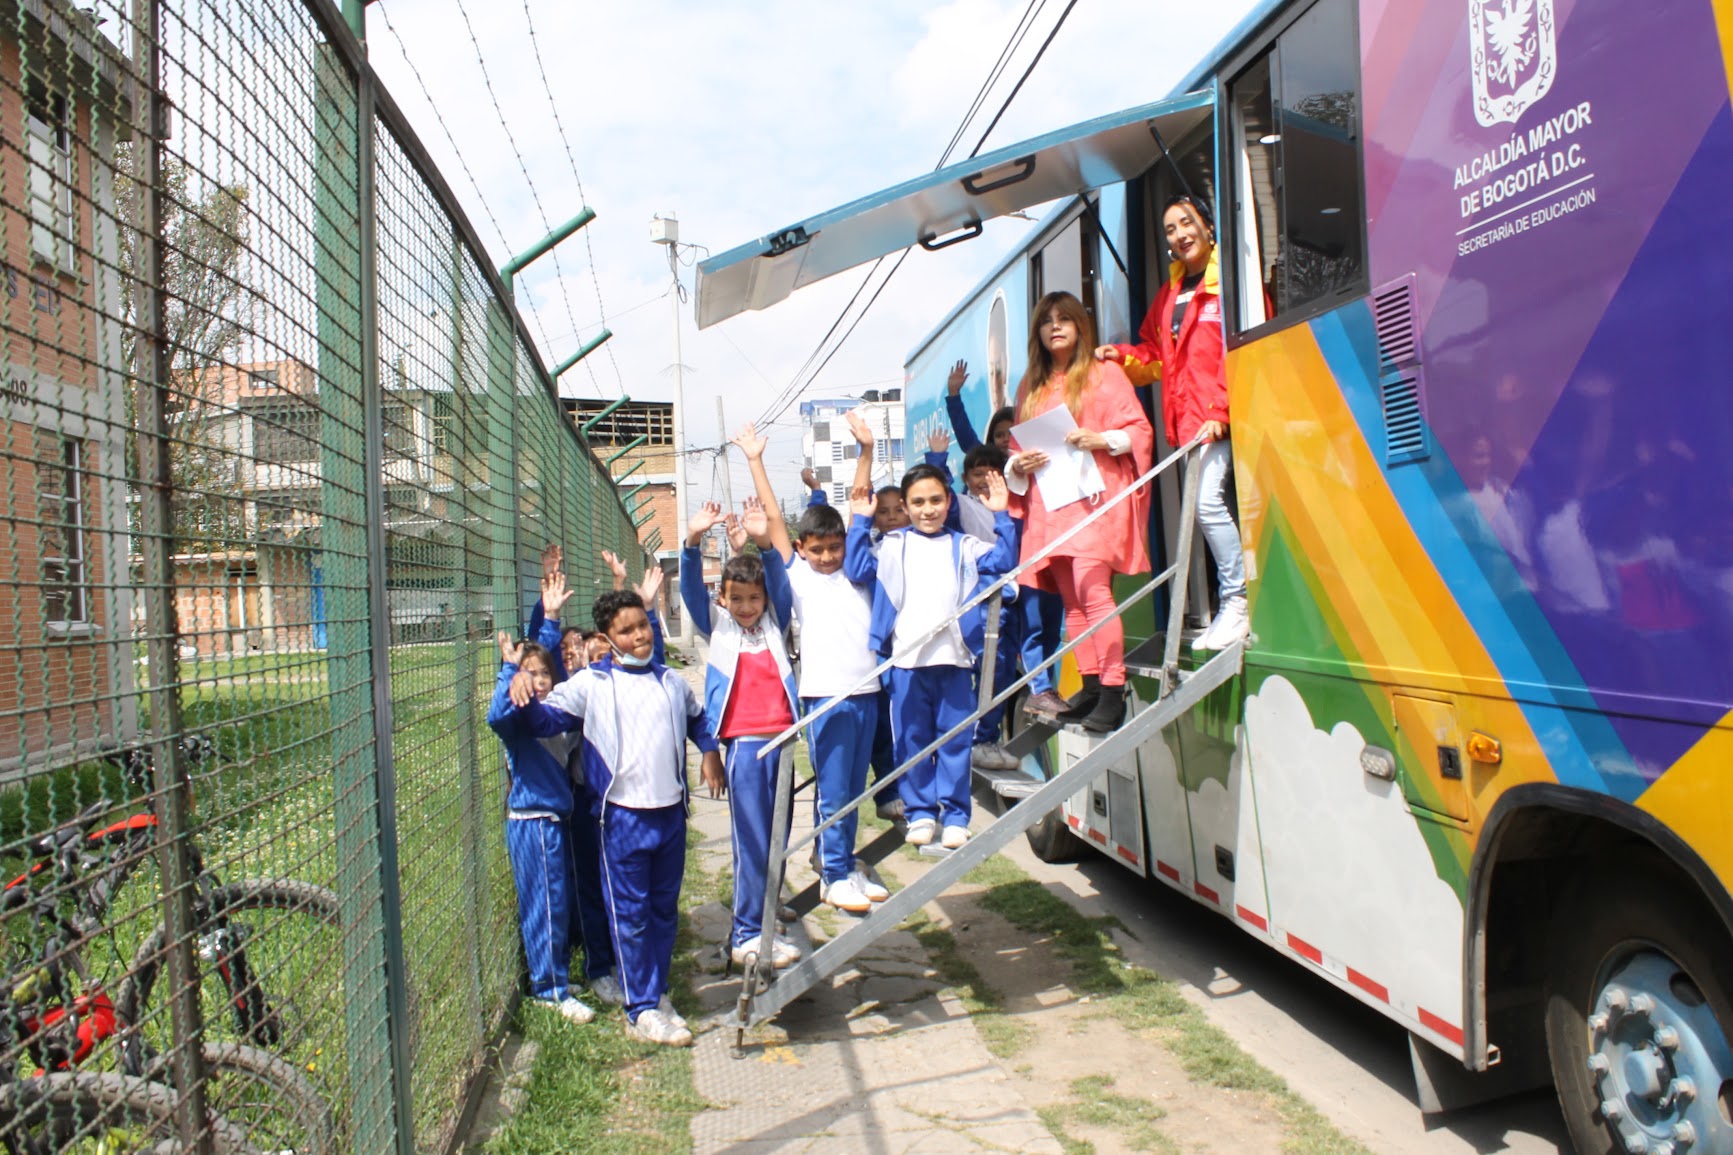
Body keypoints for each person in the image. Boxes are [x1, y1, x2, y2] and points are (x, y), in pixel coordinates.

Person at [506, 589, 723, 1047]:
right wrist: (520, 690)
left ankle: (656, 992)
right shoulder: (592, 685)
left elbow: (698, 720)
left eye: (642, 625)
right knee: (630, 914)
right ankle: (639, 1009)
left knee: (663, 910)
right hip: (620, 819)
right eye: (626, 630)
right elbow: (546, 722)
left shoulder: (671, 681)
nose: (638, 636)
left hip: (670, 817)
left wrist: (709, 753)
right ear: (607, 637)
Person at [735, 421, 890, 916]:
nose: (826, 556)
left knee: (850, 787)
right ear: (801, 549)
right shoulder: (797, 574)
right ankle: (837, 874)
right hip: (827, 696)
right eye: (816, 548)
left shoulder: (859, 570)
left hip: (867, 692)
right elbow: (775, 520)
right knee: (837, 789)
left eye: (834, 547)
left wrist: (866, 449)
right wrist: (755, 460)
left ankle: (834, 861)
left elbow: (861, 497)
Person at [1096, 194, 1247, 652]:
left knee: (1206, 507)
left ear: (1207, 225)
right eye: (1170, 230)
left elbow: (1242, 347)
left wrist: (1221, 412)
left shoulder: (1231, 282)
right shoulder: (1172, 293)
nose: (1180, 234)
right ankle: (1233, 602)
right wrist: (1121, 356)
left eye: (1187, 223)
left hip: (1224, 419)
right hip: (1190, 426)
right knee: (1217, 509)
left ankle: (1236, 601)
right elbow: (1157, 356)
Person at [847, 465, 1017, 849]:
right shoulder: (892, 545)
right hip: (905, 665)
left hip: (954, 662)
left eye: (936, 500)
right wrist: (860, 520)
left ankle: (956, 816)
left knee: (954, 742)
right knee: (911, 742)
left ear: (948, 502)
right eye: (918, 502)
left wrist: (1002, 513)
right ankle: (921, 812)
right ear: (905, 507)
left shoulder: (964, 546)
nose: (928, 509)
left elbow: (1005, 560)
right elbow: (856, 567)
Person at [1008, 291, 1155, 733]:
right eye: (1046, 320)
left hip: (1095, 497)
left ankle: (1113, 689)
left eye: (1064, 319)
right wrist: (1019, 464)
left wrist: (1101, 439)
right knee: (1071, 602)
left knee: (1094, 592)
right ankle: (1090, 686)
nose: (1055, 326)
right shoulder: (1030, 386)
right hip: (1051, 505)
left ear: (1079, 326)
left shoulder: (1104, 374)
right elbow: (1013, 454)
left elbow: (1139, 430)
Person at [680, 499, 804, 969]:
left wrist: (764, 543)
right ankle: (748, 933)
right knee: (750, 839)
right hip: (747, 748)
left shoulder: (775, 623)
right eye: (737, 599)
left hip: (783, 746)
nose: (747, 607)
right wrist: (693, 542)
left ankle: (767, 916)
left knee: (777, 836)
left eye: (754, 599)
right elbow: (692, 591)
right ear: (723, 600)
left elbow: (783, 587)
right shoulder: (720, 629)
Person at [487, 603, 595, 1027]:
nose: (539, 680)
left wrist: (550, 619)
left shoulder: (555, 715)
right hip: (532, 823)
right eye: (530, 674)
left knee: (556, 903)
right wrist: (507, 673)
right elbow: (496, 714)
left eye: (545, 674)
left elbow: (555, 674)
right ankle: (549, 990)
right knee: (544, 906)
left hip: (555, 823)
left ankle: (557, 979)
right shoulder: (516, 723)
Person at [944, 359, 1067, 719]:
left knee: (1047, 626)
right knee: (1023, 636)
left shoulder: (1032, 469)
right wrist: (954, 397)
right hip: (1006, 581)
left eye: (1012, 434)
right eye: (1000, 435)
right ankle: (1037, 688)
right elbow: (971, 447)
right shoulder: (978, 495)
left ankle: (1045, 688)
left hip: (1039, 559)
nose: (1006, 441)